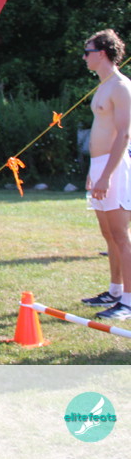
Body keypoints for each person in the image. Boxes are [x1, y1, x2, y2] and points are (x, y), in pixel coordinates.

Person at [80, 29, 131, 320]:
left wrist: (107, 175)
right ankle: (114, 291)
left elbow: (123, 135)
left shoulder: (121, 86)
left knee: (121, 235)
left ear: (101, 53)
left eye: (87, 52)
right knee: (108, 234)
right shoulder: (103, 86)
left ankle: (128, 301)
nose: (84, 58)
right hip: (100, 166)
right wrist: (94, 171)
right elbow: (101, 130)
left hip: (116, 167)